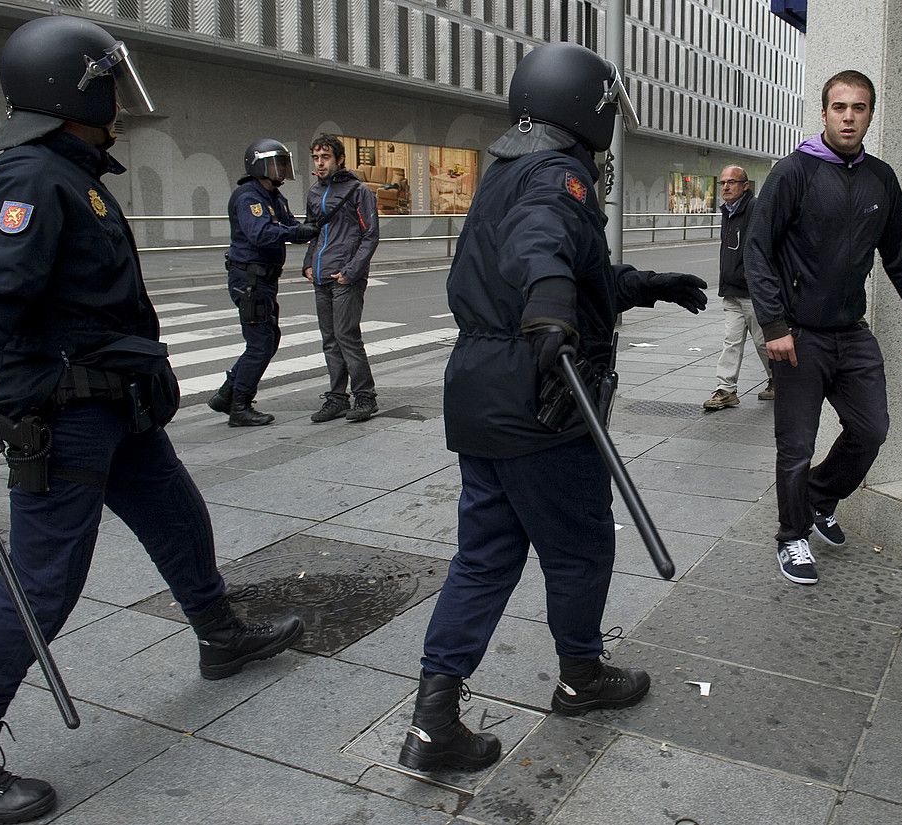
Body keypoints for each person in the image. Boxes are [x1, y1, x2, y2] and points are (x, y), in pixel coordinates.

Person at [0, 17, 304, 823]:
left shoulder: (70, 172)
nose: (122, 100)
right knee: (45, 582)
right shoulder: (28, 180)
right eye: (109, 84)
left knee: (178, 517)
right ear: (74, 88)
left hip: (113, 404)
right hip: (62, 413)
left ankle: (219, 633)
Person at [397, 42, 708, 773]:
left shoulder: (505, 169)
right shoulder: (556, 176)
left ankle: (433, 717)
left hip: (483, 391)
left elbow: (573, 265)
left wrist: (645, 283)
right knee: (580, 547)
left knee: (483, 556)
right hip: (542, 397)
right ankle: (582, 675)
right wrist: (549, 303)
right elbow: (544, 247)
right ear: (585, 108)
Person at [745, 69, 902, 586]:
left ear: (870, 114)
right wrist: (774, 323)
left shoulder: (882, 178)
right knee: (796, 445)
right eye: (839, 107)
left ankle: (819, 498)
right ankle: (792, 536)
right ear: (824, 112)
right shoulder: (794, 172)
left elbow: (899, 254)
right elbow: (756, 251)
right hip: (798, 336)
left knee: (871, 429)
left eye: (859, 108)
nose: (849, 117)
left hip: (851, 333)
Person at [206, 139, 319, 426]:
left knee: (269, 340)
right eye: (276, 163)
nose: (282, 169)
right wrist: (297, 232)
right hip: (250, 279)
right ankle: (239, 407)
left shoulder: (273, 196)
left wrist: (306, 227)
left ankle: (226, 394)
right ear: (259, 164)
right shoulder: (249, 197)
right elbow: (261, 233)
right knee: (260, 343)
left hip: (264, 280)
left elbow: (288, 224)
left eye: (283, 163)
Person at [301, 134, 381, 423]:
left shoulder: (359, 191)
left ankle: (365, 396)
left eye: (325, 157)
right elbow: (314, 231)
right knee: (329, 339)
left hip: (346, 276)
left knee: (347, 337)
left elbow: (370, 235)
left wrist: (351, 272)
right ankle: (336, 398)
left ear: (339, 159)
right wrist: (308, 264)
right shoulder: (314, 193)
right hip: (322, 275)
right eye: (316, 158)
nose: (319, 163)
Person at [703, 165, 774, 411]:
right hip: (731, 291)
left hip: (752, 292)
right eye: (723, 182)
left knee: (763, 342)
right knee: (730, 342)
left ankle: (779, 381)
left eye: (732, 182)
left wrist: (756, 279)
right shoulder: (728, 211)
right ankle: (726, 390)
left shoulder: (754, 209)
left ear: (745, 186)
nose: (725, 187)